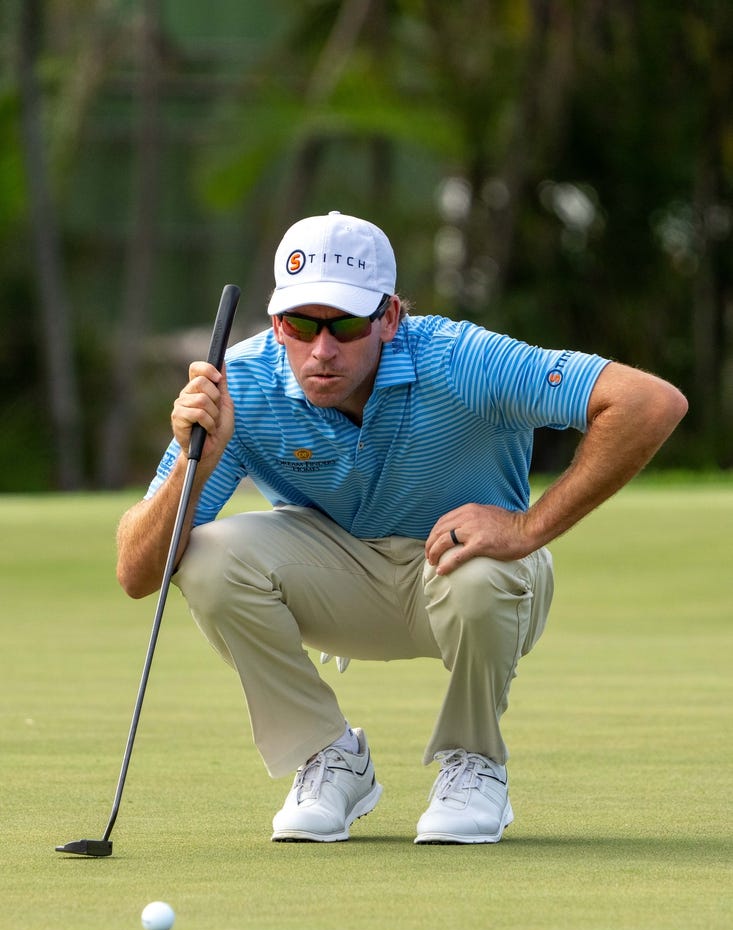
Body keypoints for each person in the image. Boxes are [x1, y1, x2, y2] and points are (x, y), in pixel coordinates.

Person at [116, 210, 687, 845]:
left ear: (390, 317)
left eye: (347, 324)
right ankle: (329, 758)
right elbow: (137, 573)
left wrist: (529, 526)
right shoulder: (241, 387)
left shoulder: (464, 361)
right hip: (341, 588)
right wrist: (199, 464)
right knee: (206, 555)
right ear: (277, 322)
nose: (322, 349)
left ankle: (474, 764)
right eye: (300, 324)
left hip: (475, 581)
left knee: (482, 572)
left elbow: (649, 402)